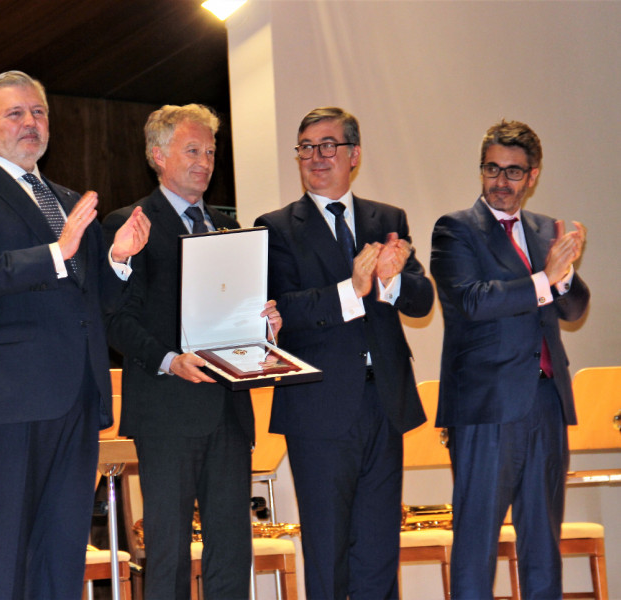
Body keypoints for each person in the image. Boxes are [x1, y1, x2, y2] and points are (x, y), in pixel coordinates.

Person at [0, 70, 150, 599]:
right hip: (14, 395)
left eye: (38, 113)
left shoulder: (66, 197)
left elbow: (95, 300)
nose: (30, 123)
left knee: (63, 548)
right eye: (15, 114)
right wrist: (58, 252)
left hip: (78, 393)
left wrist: (118, 260)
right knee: (6, 548)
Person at [102, 104, 281, 600]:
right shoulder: (131, 224)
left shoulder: (230, 225)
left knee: (231, 550)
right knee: (168, 552)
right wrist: (168, 359)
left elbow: (236, 315)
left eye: (210, 152)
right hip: (166, 412)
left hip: (228, 410)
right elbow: (117, 318)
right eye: (192, 150)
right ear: (158, 156)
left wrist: (265, 327)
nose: (205, 162)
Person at [254, 106, 433, 599]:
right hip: (319, 407)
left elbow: (422, 301)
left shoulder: (386, 219)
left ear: (353, 154)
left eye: (328, 145)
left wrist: (392, 282)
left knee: (379, 551)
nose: (316, 157)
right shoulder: (275, 227)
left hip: (385, 403)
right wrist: (350, 290)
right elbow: (281, 311)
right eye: (306, 147)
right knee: (328, 550)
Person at [430, 119, 589, 599]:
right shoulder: (455, 229)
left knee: (543, 544)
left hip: (545, 401)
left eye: (513, 172)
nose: (501, 181)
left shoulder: (545, 230)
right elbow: (475, 300)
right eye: (492, 169)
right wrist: (545, 278)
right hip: (485, 410)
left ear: (533, 175)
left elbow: (575, 307)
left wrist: (562, 278)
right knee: (477, 544)